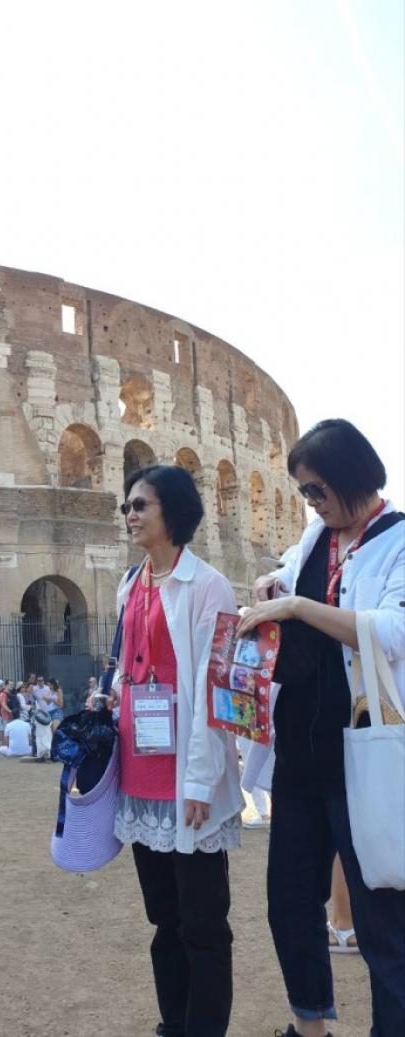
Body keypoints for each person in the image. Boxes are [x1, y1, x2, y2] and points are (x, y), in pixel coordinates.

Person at [237, 419, 404, 1037]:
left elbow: (393, 632)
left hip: (363, 758)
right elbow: (286, 577)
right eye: (304, 491)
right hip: (300, 755)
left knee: (383, 921)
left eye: (316, 489)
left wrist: (298, 606)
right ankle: (310, 1027)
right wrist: (273, 585)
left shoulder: (399, 540)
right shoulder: (316, 538)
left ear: (350, 477)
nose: (310, 502)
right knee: (288, 903)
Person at [111, 464, 241, 1037]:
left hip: (188, 776)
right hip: (141, 772)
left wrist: (200, 782)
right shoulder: (129, 583)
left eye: (141, 504)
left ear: (175, 510)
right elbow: (127, 668)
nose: (130, 514)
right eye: (127, 506)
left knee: (203, 923)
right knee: (164, 918)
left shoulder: (210, 586)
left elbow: (217, 689)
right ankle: (175, 1023)